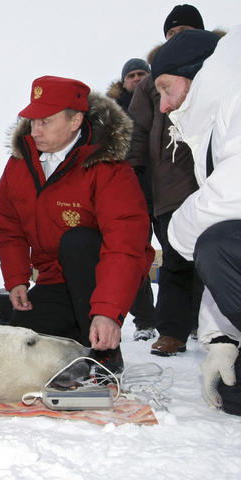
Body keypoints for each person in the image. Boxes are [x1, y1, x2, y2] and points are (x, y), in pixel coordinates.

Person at [0, 76, 154, 374]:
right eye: (32, 121)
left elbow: (125, 243)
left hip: (103, 280)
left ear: (75, 120)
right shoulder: (19, 164)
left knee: (77, 241)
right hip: (54, 282)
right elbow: (8, 225)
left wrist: (108, 312)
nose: (34, 130)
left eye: (46, 122)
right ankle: (78, 336)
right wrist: (16, 277)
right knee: (13, 352)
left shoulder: (107, 167)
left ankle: (104, 351)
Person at [151, 27, 241, 416]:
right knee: (234, 394)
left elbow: (230, 197)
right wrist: (220, 335)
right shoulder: (216, 121)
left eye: (166, 89)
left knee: (215, 243)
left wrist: (177, 234)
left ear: (196, 73)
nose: (163, 106)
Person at [127, 4, 205, 356]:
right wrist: (135, 176)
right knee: (175, 259)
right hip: (168, 184)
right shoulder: (151, 82)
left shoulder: (218, 69)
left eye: (186, 32)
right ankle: (173, 331)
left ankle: (215, 330)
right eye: (172, 34)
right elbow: (138, 131)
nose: (178, 39)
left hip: (212, 178)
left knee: (220, 256)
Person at [107, 57, 156, 341]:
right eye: (132, 75)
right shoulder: (111, 114)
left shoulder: (167, 102)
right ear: (123, 81)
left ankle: (190, 322)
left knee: (182, 256)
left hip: (164, 189)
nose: (137, 79)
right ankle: (145, 320)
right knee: (134, 254)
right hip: (128, 192)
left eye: (142, 74)